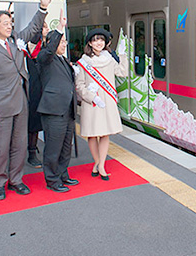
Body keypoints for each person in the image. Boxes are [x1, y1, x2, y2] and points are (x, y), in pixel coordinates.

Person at [0, 0, 49, 200]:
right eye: (5, 23)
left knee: (19, 145)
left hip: (20, 102)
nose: (9, 26)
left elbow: (33, 28)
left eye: (10, 22)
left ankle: (16, 180)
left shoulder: (15, 40)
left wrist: (42, 7)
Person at [75, 29, 128, 180]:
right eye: (95, 40)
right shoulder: (83, 62)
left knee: (105, 133)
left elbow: (122, 72)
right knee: (92, 134)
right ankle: (97, 162)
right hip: (92, 102)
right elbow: (79, 85)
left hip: (107, 102)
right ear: (90, 43)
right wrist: (91, 97)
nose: (99, 43)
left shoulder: (110, 59)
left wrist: (123, 55)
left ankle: (102, 165)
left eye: (102, 40)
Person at [36, 10, 79, 193]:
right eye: (60, 42)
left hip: (67, 110)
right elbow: (49, 49)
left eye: (64, 41)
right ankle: (52, 179)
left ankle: (63, 173)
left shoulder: (64, 60)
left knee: (65, 146)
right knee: (53, 147)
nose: (63, 45)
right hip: (53, 110)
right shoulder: (46, 58)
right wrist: (60, 28)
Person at [26, 21, 49, 168]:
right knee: (33, 123)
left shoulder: (49, 45)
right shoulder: (30, 46)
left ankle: (49, 152)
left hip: (48, 87)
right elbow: (34, 42)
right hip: (33, 87)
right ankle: (32, 153)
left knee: (49, 122)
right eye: (42, 27)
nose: (44, 30)